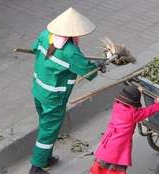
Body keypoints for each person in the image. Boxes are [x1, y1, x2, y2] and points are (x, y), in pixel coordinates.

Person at [29, 7, 107, 174]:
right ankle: (36, 166)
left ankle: (45, 158)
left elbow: (35, 48)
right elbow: (87, 71)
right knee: (48, 130)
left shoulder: (45, 35)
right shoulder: (71, 51)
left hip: (38, 90)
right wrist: (98, 66)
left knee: (46, 126)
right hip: (54, 97)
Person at [89, 86, 159, 174]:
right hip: (119, 145)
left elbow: (131, 106)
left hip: (109, 140)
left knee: (102, 163)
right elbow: (147, 111)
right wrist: (157, 104)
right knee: (115, 165)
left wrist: (137, 91)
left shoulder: (117, 105)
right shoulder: (132, 115)